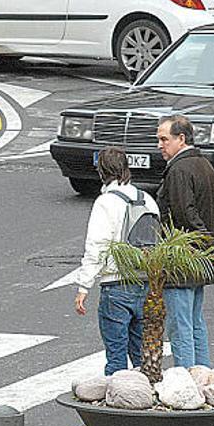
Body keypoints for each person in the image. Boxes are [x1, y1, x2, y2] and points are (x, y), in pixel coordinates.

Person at [74, 147, 160, 376]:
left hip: (116, 285)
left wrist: (84, 286)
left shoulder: (106, 202)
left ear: (101, 171)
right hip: (146, 284)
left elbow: (97, 246)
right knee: (144, 357)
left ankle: (118, 404)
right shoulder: (148, 200)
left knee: (116, 358)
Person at [155, 115, 214, 368]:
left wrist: (207, 243)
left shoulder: (179, 170)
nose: (160, 145)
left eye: (164, 139)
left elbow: (184, 213)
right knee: (196, 322)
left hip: (183, 258)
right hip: (202, 257)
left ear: (181, 139)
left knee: (181, 325)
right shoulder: (205, 165)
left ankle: (187, 379)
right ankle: (203, 376)